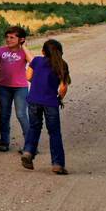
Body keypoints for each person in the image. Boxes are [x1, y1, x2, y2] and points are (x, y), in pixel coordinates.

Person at [22, 38, 70, 175]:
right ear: (60, 52)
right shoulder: (62, 65)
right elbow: (63, 88)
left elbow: (28, 77)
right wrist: (59, 98)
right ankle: (57, 164)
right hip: (51, 103)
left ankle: (28, 152)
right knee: (54, 132)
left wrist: (37, 79)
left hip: (33, 100)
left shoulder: (36, 61)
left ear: (43, 51)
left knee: (34, 127)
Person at [0, 25, 31, 152]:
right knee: (4, 114)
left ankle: (30, 144)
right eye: (7, 37)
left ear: (21, 39)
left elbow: (32, 62)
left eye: (12, 37)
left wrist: (24, 47)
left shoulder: (24, 52)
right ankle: (4, 142)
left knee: (21, 114)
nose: (8, 40)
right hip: (4, 88)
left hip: (20, 88)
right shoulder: (1, 51)